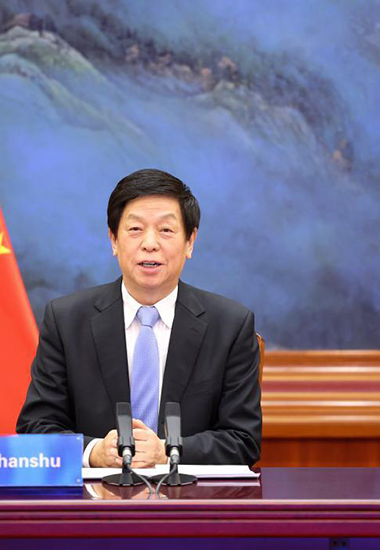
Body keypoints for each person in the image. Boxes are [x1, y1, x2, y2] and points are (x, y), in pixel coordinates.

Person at [16, 169, 261, 466]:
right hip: (95, 493)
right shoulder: (67, 321)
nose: (150, 243)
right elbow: (35, 429)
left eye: (166, 230)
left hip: (188, 493)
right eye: (135, 229)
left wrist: (167, 451)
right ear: (113, 240)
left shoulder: (230, 326)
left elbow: (242, 440)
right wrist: (94, 452)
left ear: (190, 242)